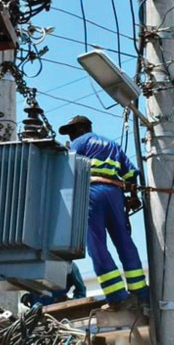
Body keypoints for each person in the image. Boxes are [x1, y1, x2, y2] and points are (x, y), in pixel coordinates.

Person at [59, 115, 148, 309]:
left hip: (92, 193)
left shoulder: (79, 143)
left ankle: (116, 295)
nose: (72, 136)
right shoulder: (112, 145)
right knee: (124, 241)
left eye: (72, 131)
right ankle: (140, 291)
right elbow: (131, 173)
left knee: (96, 245)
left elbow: (66, 170)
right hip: (114, 194)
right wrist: (132, 197)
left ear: (83, 128)